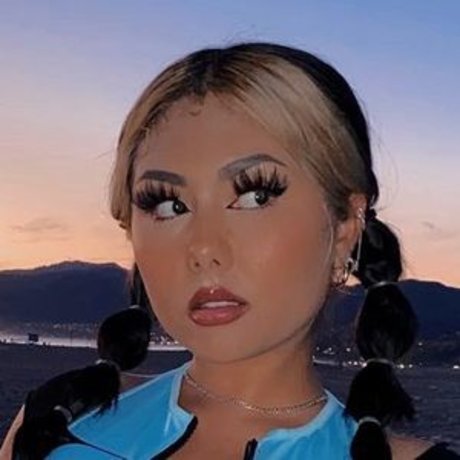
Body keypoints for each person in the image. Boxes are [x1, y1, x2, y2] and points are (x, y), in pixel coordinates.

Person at [3, 41, 459, 459]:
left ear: (344, 228)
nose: (203, 247)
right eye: (169, 205)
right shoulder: (58, 420)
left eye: (255, 196)